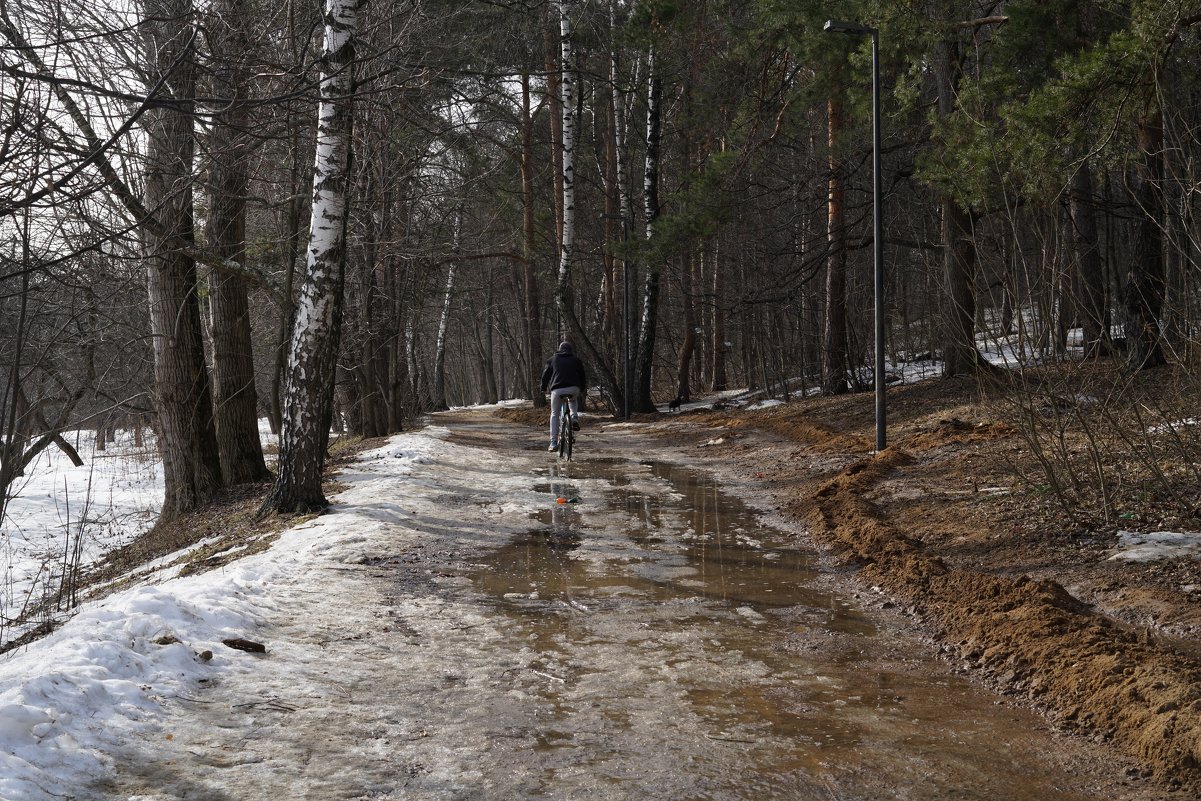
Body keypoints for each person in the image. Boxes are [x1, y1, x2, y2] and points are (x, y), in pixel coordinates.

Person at [540, 340, 586, 452]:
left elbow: (546, 375)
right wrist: (582, 388)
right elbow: (582, 375)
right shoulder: (576, 360)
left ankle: (553, 442)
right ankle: (574, 416)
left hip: (557, 389)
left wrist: (543, 387)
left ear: (559, 349)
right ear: (571, 350)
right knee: (572, 400)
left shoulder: (552, 359)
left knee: (555, 414)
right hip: (574, 388)